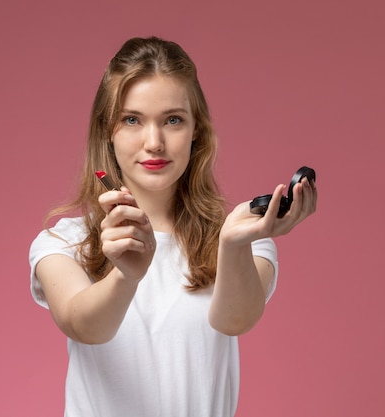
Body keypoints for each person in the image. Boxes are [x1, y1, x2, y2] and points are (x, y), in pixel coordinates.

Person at [28, 36, 317, 417]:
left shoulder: (240, 237)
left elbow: (235, 320)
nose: (154, 142)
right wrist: (125, 277)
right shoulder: (63, 242)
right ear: (107, 132)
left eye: (173, 120)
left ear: (197, 130)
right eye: (132, 120)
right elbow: (85, 327)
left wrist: (231, 245)